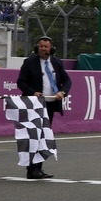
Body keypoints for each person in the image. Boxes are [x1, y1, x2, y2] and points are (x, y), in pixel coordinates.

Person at [17, 36, 72, 179]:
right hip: (34, 104)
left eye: (46, 47)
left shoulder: (57, 63)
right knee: (34, 135)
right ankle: (31, 169)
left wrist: (62, 92)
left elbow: (67, 80)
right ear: (37, 48)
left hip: (50, 104)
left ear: (51, 49)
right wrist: (33, 92)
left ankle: (39, 168)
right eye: (41, 46)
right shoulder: (29, 63)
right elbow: (21, 82)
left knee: (43, 136)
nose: (43, 49)